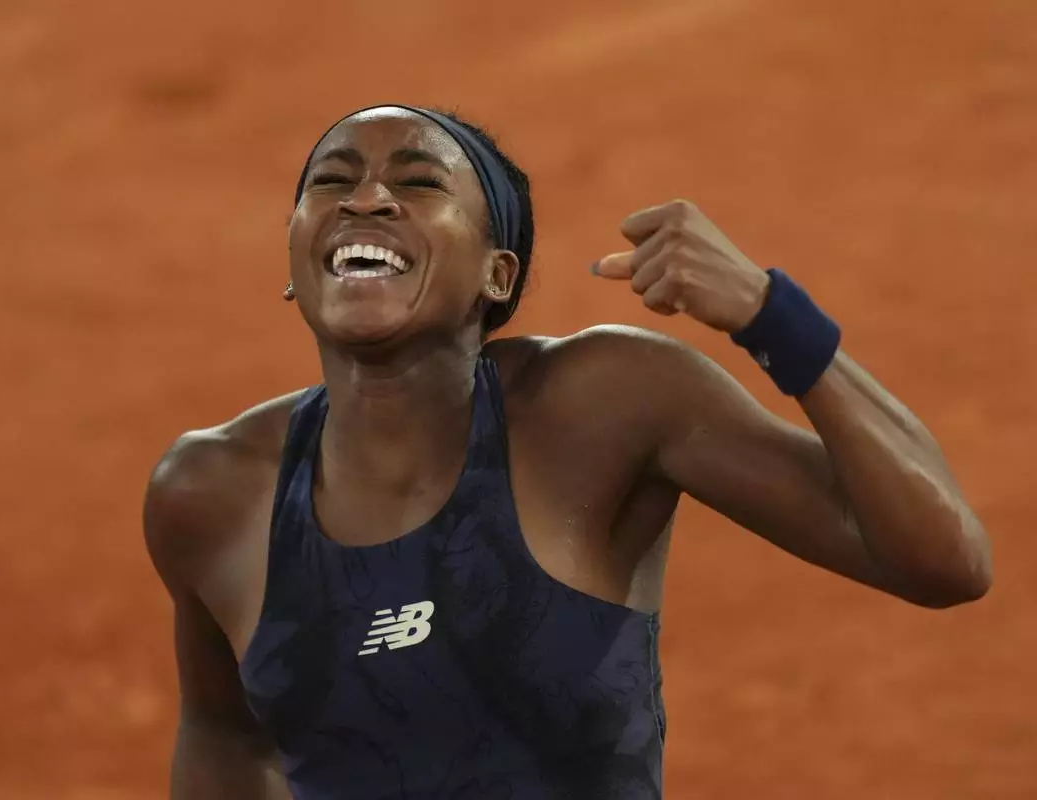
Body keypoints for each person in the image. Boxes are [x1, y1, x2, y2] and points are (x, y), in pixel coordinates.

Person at [142, 104, 992, 800]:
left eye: (418, 181)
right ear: (297, 261)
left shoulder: (599, 406)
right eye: (331, 181)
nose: (365, 198)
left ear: (498, 275)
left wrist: (773, 315)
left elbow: (945, 560)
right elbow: (224, 743)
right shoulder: (213, 490)